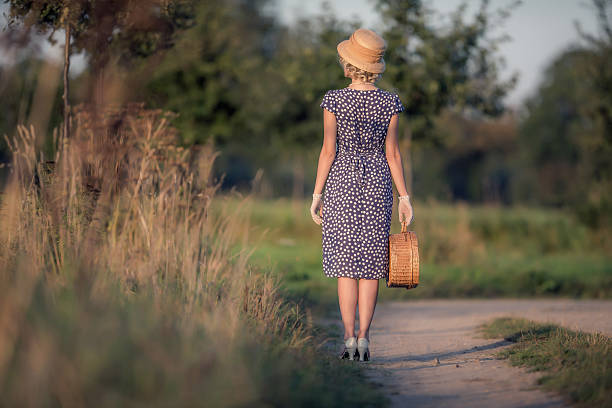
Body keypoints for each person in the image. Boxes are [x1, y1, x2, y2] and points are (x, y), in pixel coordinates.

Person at [309, 28, 414, 362]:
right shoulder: (390, 102)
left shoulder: (333, 100)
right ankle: (365, 339)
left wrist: (316, 194)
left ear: (348, 65)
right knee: (370, 267)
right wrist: (405, 197)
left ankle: (348, 338)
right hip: (377, 188)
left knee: (345, 267)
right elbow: (393, 155)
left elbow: (328, 151)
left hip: (340, 184)